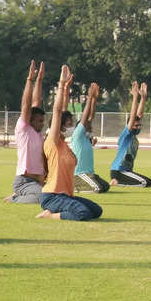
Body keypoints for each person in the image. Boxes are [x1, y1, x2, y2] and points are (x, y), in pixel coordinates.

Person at [36, 65, 102, 221]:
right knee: (83, 214)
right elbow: (58, 111)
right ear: (58, 127)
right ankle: (49, 215)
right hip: (52, 196)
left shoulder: (66, 145)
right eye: (68, 124)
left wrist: (67, 89)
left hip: (66, 195)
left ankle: (56, 211)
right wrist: (61, 85)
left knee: (96, 211)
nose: (72, 127)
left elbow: (64, 110)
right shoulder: (52, 142)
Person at [4, 60, 46, 204]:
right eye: (39, 121)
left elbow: (36, 103)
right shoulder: (24, 129)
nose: (42, 123)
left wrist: (39, 80)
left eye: (42, 120)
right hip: (24, 180)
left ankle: (23, 194)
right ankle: (15, 198)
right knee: (42, 198)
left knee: (57, 195)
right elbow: (27, 104)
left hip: (37, 181)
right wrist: (30, 80)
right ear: (30, 120)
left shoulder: (38, 134)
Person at [110, 82, 151, 187]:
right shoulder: (127, 134)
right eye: (136, 125)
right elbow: (134, 115)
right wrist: (135, 97)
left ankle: (119, 181)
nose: (138, 127)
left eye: (139, 126)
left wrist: (143, 98)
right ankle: (118, 182)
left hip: (127, 171)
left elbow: (139, 115)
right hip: (119, 171)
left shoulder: (134, 134)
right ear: (130, 125)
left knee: (148, 181)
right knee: (145, 182)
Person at [71, 83, 110, 193]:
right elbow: (85, 117)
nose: (91, 126)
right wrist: (89, 98)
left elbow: (90, 116)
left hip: (89, 174)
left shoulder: (86, 139)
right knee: (97, 188)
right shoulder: (78, 135)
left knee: (105, 187)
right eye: (88, 125)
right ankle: (74, 187)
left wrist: (94, 99)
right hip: (79, 175)